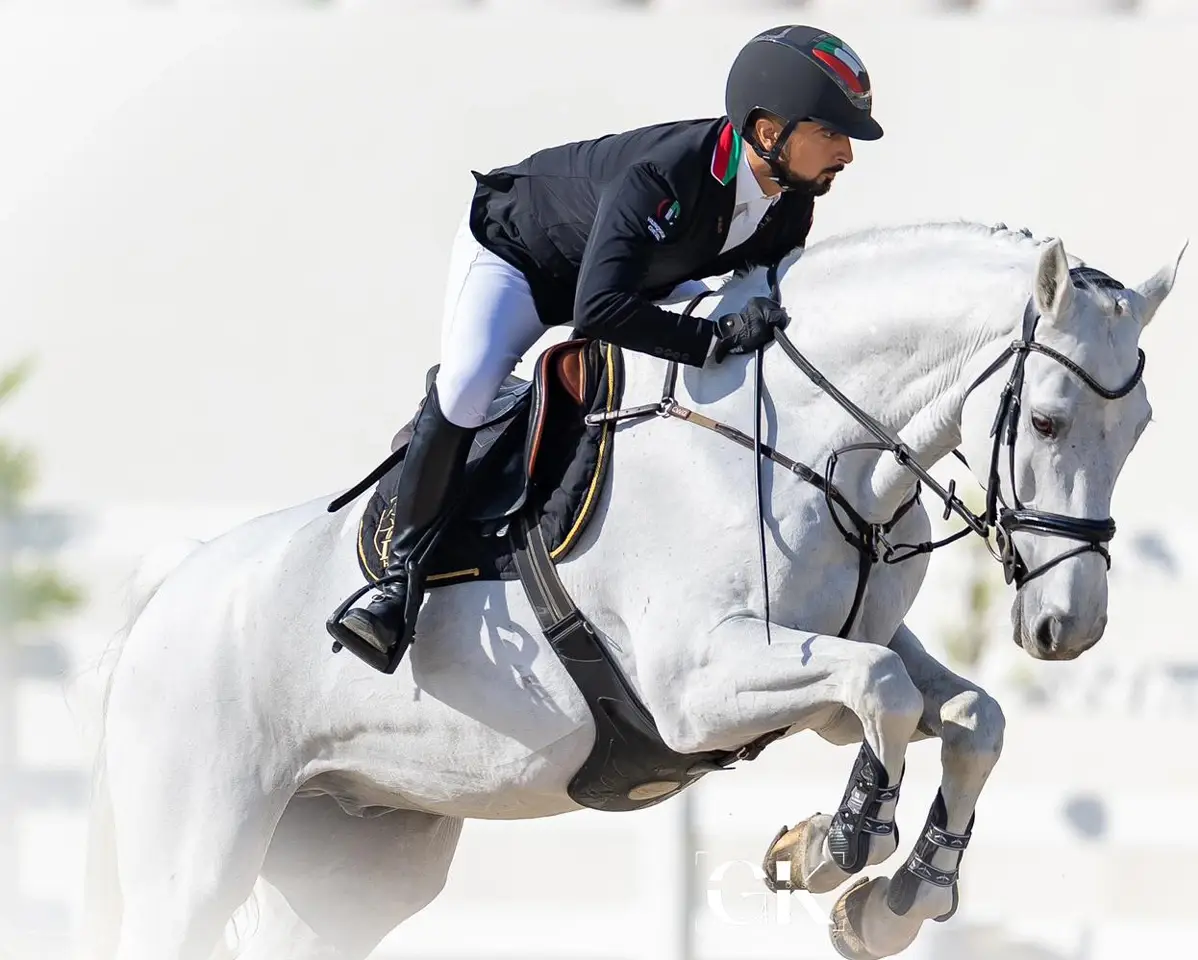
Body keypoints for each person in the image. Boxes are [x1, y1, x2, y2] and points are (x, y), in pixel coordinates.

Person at [333, 24, 884, 667]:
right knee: (465, 386)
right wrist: (711, 337)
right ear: (769, 132)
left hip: (640, 276)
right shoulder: (667, 174)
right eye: (832, 133)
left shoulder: (789, 201)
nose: (846, 152)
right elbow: (597, 310)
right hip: (523, 260)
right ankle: (397, 583)